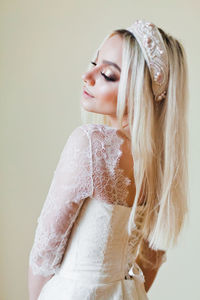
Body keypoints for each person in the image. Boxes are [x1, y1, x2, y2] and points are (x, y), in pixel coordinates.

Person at [28, 19, 189, 299]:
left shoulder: (91, 143)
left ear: (139, 91)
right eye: (94, 62)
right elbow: (151, 260)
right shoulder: (162, 164)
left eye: (108, 75)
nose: (87, 76)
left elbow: (44, 252)